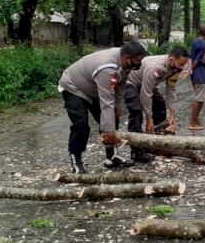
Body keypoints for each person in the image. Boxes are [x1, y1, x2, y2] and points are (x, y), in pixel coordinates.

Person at [58, 41, 147, 173]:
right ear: (127, 57)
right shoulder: (107, 68)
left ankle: (112, 157)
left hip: (94, 88)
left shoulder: (125, 62)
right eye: (138, 61)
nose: (139, 64)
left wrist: (117, 103)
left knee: (113, 116)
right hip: (74, 87)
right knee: (81, 125)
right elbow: (106, 102)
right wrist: (109, 131)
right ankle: (76, 160)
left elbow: (121, 84)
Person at [124, 47, 190, 162]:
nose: (181, 68)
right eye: (180, 64)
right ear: (171, 59)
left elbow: (171, 90)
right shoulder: (155, 67)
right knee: (136, 112)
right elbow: (146, 93)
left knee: (160, 105)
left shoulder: (175, 69)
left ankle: (156, 143)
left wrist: (173, 114)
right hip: (130, 82)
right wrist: (149, 119)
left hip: (147, 84)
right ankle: (136, 151)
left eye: (184, 65)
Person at [188, 24, 205, 130]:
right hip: (199, 72)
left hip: (194, 73)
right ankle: (193, 123)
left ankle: (196, 120)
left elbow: (191, 56)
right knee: (199, 98)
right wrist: (191, 68)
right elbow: (198, 59)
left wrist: (190, 69)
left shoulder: (195, 41)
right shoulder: (204, 44)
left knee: (200, 96)